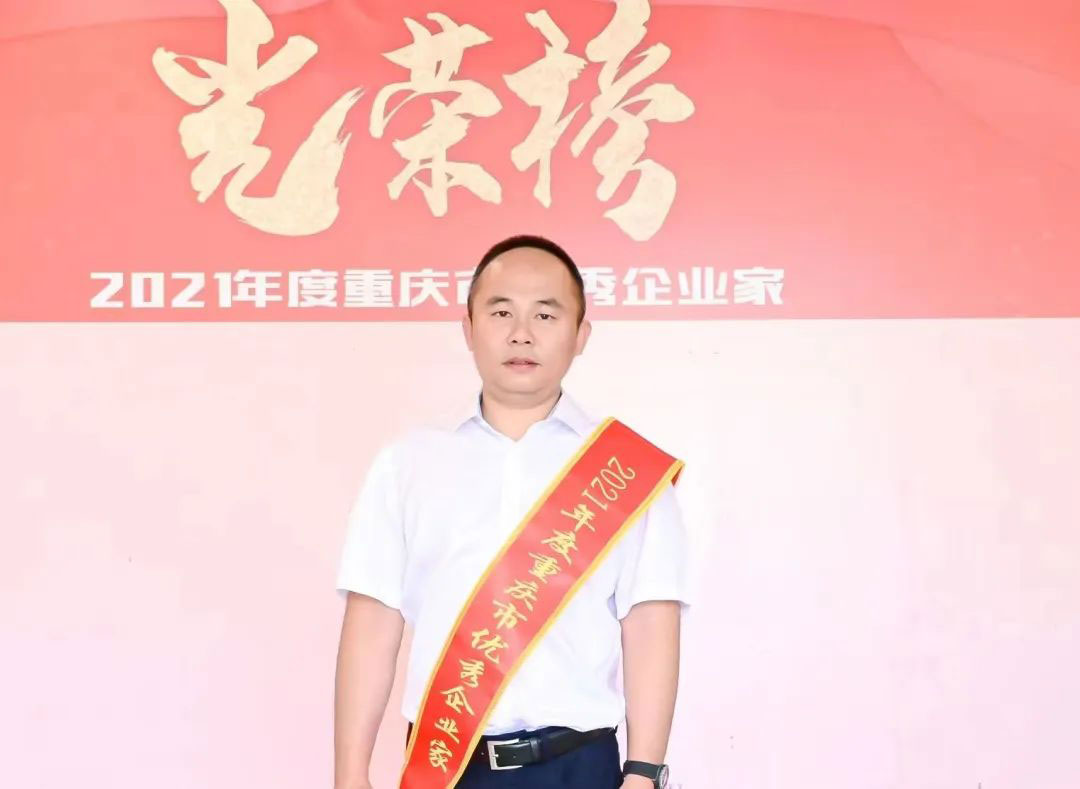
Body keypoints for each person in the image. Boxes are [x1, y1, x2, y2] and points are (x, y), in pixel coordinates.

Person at [333, 235, 689, 789]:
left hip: (581, 766)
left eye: (545, 314)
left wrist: (643, 772)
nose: (522, 333)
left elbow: (649, 625)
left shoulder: (628, 473)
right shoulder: (407, 464)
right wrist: (349, 774)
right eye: (501, 312)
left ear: (580, 335)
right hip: (446, 766)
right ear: (469, 329)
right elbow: (373, 622)